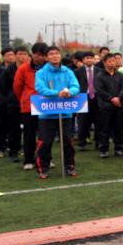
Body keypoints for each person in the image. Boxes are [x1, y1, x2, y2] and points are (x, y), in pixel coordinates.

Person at [34, 45, 80, 179]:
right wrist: (57, 93)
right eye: (51, 54)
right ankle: (43, 167)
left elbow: (75, 86)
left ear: (60, 55)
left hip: (65, 112)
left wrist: (69, 92)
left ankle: (70, 166)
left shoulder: (68, 71)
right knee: (45, 142)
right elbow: (40, 88)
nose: (54, 56)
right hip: (46, 113)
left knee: (67, 141)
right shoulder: (41, 73)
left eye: (56, 53)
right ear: (46, 57)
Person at [14, 42, 48, 170]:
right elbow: (17, 87)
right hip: (29, 106)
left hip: (47, 105)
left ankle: (45, 158)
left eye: (43, 55)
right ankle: (28, 159)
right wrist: (25, 99)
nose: (40, 58)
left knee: (45, 135)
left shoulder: (50, 67)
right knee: (29, 134)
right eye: (38, 55)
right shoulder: (24, 68)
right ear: (32, 54)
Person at [94, 52, 123, 158]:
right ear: (104, 62)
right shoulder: (100, 76)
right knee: (105, 129)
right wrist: (111, 98)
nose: (112, 63)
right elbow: (100, 90)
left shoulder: (120, 75)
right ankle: (103, 150)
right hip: (105, 107)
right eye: (109, 61)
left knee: (118, 128)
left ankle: (119, 149)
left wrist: (118, 98)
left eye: (113, 61)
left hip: (118, 106)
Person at [74, 51, 99, 150]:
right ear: (83, 60)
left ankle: (98, 142)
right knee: (83, 121)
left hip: (96, 98)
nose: (89, 59)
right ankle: (82, 142)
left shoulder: (99, 70)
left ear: (94, 59)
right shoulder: (77, 71)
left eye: (91, 57)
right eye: (87, 58)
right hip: (83, 98)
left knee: (98, 121)